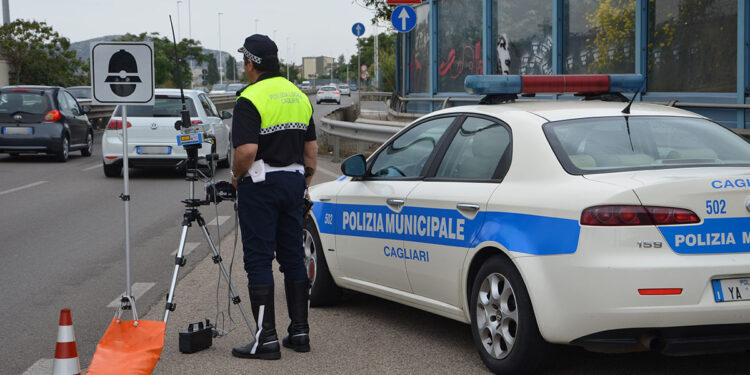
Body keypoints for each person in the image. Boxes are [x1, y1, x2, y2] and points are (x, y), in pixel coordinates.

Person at [229, 34, 317, 360]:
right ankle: (300, 332)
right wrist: (304, 180)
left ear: (250, 63)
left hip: (260, 185)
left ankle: (266, 339)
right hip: (294, 183)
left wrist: (237, 177)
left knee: (258, 260)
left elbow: (247, 150)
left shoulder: (249, 99)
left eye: (244, 61)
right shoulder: (299, 95)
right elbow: (311, 150)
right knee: (293, 256)